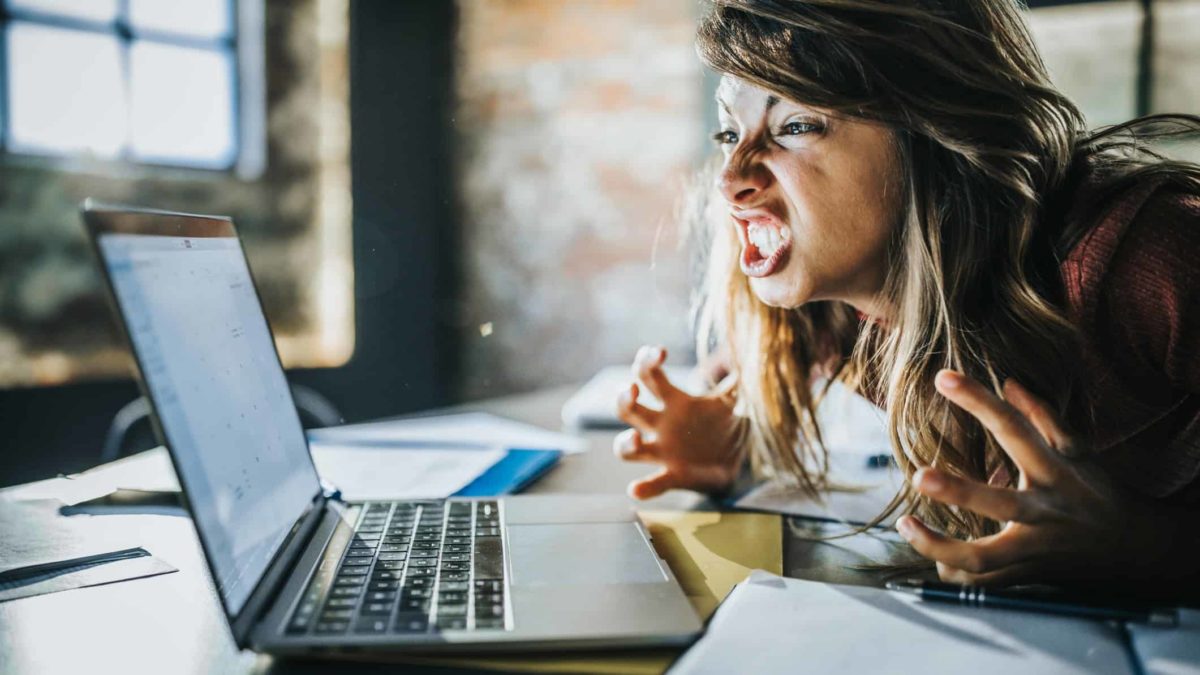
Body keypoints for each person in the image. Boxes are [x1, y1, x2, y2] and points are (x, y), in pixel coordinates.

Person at [615, 0, 1200, 592]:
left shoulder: (1156, 258)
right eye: (730, 132)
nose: (730, 177)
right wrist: (738, 446)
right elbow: (729, 393)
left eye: (794, 126)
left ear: (938, 134)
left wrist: (1144, 545)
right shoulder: (834, 309)